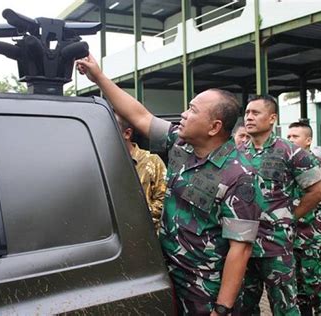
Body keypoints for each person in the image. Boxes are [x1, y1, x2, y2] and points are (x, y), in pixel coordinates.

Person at [77, 54, 264, 315]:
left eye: (193, 110)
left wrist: (221, 308)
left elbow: (240, 249)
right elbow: (139, 115)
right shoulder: (181, 144)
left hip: (205, 289)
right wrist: (98, 76)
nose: (184, 114)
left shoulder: (239, 176)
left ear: (214, 127)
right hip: (168, 273)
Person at [237, 95, 321, 315]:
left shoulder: (291, 151)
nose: (249, 117)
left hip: (275, 246)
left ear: (272, 118)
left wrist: (290, 216)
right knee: (244, 306)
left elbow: (318, 190)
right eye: (247, 113)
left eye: (255, 113)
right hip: (242, 246)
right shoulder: (237, 152)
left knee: (285, 307)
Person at [287, 122, 321, 316]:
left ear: (308, 140)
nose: (290, 140)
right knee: (295, 283)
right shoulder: (285, 165)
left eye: (295, 136)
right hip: (289, 233)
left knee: (313, 282)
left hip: (311, 233)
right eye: (289, 136)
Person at [115, 114, 167, 233]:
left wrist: (131, 217)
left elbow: (163, 202)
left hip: (145, 237)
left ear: (127, 134)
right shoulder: (102, 162)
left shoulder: (152, 161)